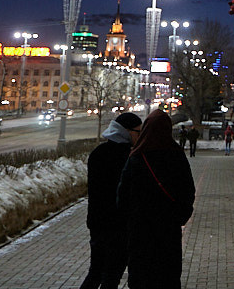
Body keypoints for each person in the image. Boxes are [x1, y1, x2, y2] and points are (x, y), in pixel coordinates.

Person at [118, 109, 195, 289]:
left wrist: (128, 221)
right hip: (168, 230)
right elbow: (188, 190)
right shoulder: (176, 155)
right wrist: (179, 217)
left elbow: (122, 195)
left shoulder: (137, 157)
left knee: (141, 276)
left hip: (140, 231)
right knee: (167, 276)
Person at [80, 111, 142, 289]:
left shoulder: (98, 153)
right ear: (127, 132)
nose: (140, 136)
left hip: (97, 223)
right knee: (111, 276)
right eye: (138, 132)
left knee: (96, 271)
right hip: (117, 227)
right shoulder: (127, 157)